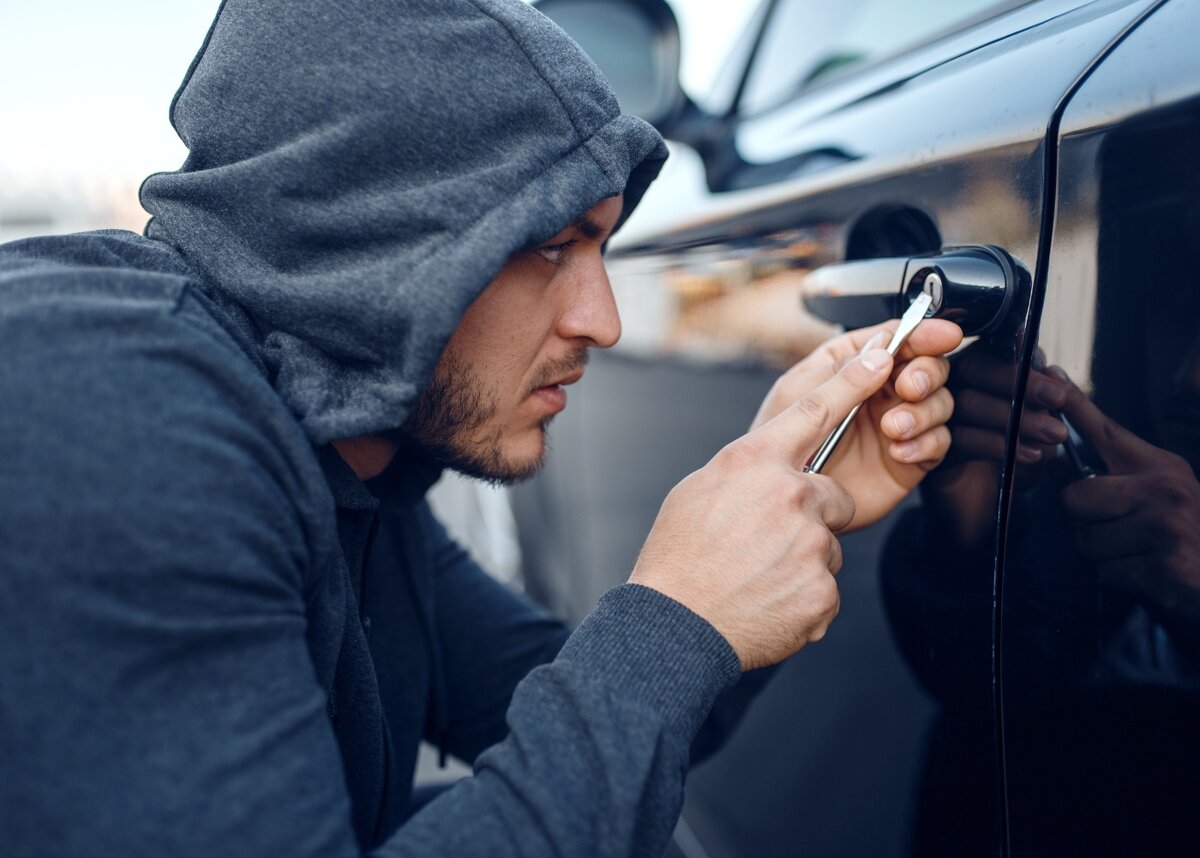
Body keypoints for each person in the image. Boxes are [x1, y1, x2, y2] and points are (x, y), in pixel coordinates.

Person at [0, 1, 961, 855]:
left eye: (603, 246)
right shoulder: (120, 427)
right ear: (378, 243)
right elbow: (628, 696)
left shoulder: (348, 456)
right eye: (551, 248)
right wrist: (679, 615)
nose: (604, 321)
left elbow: (592, 720)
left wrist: (775, 501)